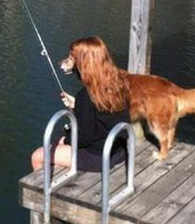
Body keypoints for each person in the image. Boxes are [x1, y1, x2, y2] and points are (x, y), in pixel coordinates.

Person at [31, 37, 130, 172]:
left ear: (84, 64)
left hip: (99, 157)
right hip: (120, 150)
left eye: (72, 59)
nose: (69, 61)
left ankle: (43, 191)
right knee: (59, 144)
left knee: (38, 155)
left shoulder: (86, 96)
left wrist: (65, 140)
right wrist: (77, 106)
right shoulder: (118, 84)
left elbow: (83, 138)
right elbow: (102, 114)